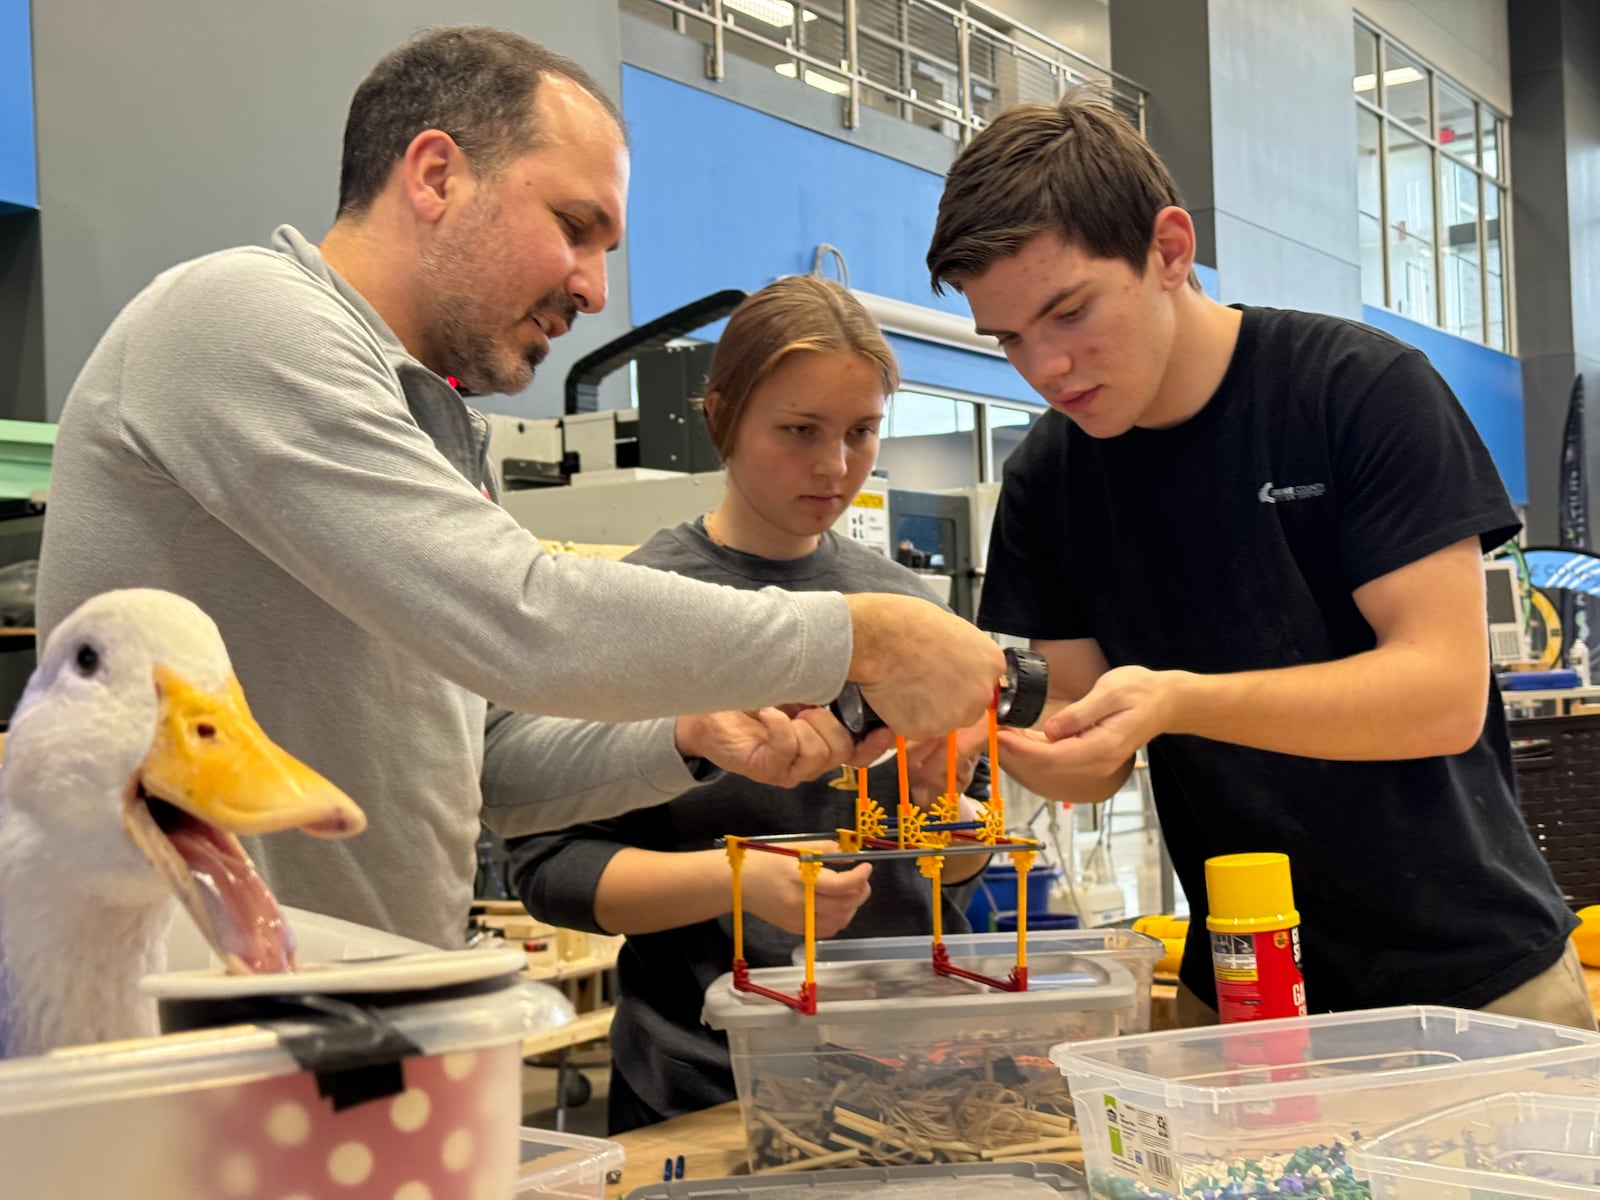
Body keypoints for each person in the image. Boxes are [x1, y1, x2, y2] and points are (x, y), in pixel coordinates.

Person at [32, 27, 1004, 948]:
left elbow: (486, 763)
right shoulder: (240, 318)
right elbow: (522, 617)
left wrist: (689, 736)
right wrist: (859, 634)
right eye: (574, 228)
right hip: (180, 1029)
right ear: (435, 175)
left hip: (354, 1005)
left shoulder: (434, 425)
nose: (591, 289)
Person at [924, 94, 1593, 1028]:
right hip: (1241, 989)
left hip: (1477, 981)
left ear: (1169, 249)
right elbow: (1092, 755)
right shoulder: (1048, 477)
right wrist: (987, 741)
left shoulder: (1357, 392)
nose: (1047, 369)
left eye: (1069, 313)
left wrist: (1180, 698)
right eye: (1010, 341)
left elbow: (1441, 696)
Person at [506, 276, 992, 1133]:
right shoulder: (643, 603)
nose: (834, 465)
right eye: (799, 431)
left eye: (861, 432)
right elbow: (553, 871)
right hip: (704, 1088)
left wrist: (941, 816)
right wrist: (740, 884)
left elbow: (957, 868)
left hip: (912, 1082)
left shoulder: (909, 616)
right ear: (722, 414)